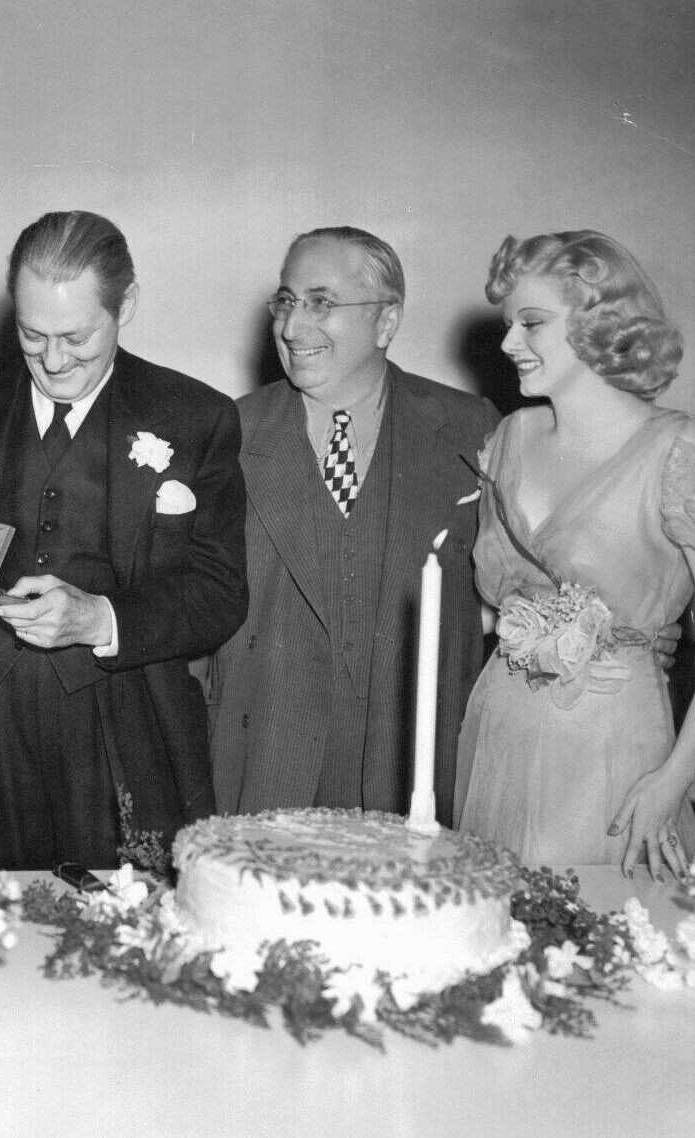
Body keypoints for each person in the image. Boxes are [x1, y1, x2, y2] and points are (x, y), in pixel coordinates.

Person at [0, 210, 247, 869]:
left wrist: (100, 617)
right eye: (32, 334)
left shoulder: (195, 417)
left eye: (76, 337)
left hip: (128, 732)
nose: (52, 361)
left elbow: (219, 591)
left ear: (125, 306)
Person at [455, 231, 695, 877]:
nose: (508, 343)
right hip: (499, 726)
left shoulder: (683, 451)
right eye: (508, 325)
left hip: (612, 738)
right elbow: (492, 607)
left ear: (599, 322)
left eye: (532, 322)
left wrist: (677, 776)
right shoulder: (509, 439)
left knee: (601, 920)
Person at [207, 227, 499, 822]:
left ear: (386, 322)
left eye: (321, 302)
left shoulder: (471, 429)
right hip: (263, 773)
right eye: (286, 301)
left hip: (416, 775)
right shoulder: (227, 433)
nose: (293, 327)